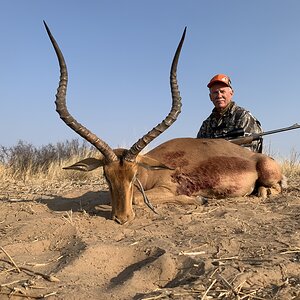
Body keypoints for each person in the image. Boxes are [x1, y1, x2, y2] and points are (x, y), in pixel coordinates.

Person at [197, 74, 263, 152]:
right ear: (210, 97)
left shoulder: (244, 117)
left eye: (222, 91)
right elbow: (198, 150)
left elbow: (249, 153)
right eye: (215, 92)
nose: (219, 95)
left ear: (231, 93)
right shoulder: (206, 124)